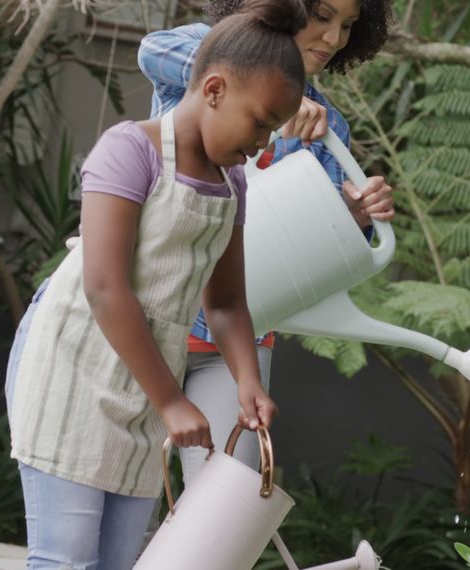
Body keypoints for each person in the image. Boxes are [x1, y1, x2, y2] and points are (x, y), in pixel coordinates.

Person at [4, 0, 310, 567]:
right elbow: (105, 287)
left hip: (143, 394)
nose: (265, 141)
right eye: (262, 122)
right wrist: (171, 401)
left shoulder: (233, 182)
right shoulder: (130, 150)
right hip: (73, 374)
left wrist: (248, 381)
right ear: (214, 89)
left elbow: (225, 304)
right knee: (67, 560)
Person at [138, 0, 397, 484]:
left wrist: (357, 215)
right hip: (149, 322)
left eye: (348, 26)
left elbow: (318, 243)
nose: (334, 37)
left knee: (219, 510)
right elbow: (153, 49)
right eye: (323, 16)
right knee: (119, 497)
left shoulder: (328, 128)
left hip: (237, 343)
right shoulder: (203, 49)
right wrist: (262, 83)